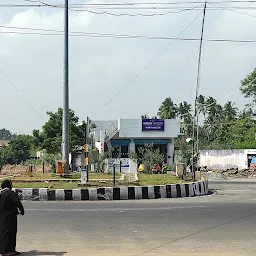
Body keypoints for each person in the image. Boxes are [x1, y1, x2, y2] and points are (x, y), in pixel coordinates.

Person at [0, 179, 24, 256]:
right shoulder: (11, 193)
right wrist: (22, 211)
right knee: (11, 233)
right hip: (10, 217)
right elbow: (17, 202)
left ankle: (2, 250)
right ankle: (9, 251)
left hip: (2, 217)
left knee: (3, 233)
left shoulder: (1, 194)